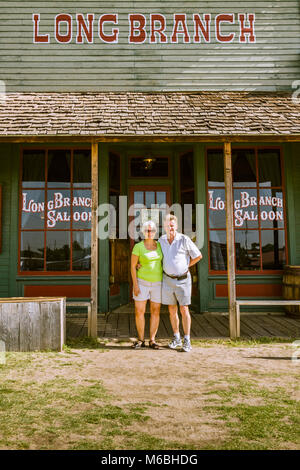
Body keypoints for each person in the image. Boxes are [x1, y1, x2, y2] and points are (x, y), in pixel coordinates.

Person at [158, 214, 202, 352]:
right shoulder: (161, 240)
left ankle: (187, 340)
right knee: (172, 310)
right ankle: (176, 337)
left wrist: (186, 266)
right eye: (167, 225)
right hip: (167, 279)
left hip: (183, 280)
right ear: (164, 226)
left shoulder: (184, 239)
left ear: (176, 226)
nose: (170, 227)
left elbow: (198, 256)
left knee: (184, 309)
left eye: (172, 225)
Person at [131, 220, 163, 349]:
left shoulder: (160, 245)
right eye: (147, 230)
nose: (150, 233)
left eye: (152, 230)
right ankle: (140, 340)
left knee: (155, 311)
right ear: (143, 232)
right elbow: (133, 267)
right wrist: (135, 285)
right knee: (140, 311)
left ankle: (152, 340)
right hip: (142, 283)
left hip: (157, 283)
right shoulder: (138, 246)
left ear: (155, 232)